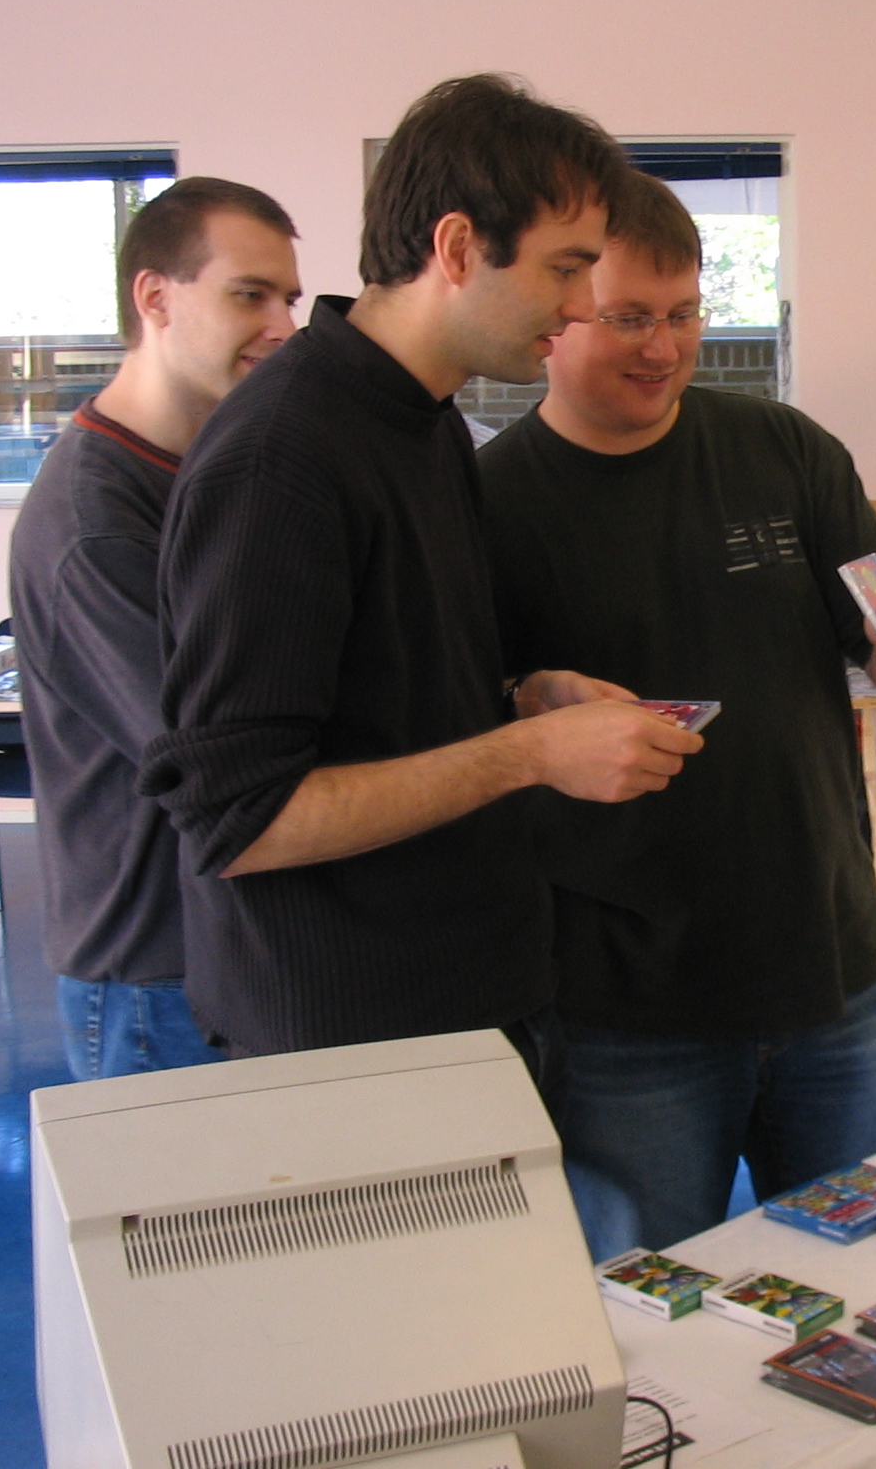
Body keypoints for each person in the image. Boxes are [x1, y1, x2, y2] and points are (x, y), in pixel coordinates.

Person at [138, 76, 701, 1071]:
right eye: (565, 269)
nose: (579, 308)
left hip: (466, 991)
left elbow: (378, 701)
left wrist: (522, 700)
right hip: (353, 1041)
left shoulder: (424, 420)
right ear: (457, 247)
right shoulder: (281, 460)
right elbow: (239, 819)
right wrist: (529, 754)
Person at [476, 173, 876, 1259]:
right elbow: (463, 738)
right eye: (629, 318)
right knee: (649, 1313)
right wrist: (527, 704)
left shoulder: (784, 452)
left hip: (838, 979)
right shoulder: (486, 503)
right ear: (559, 315)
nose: (664, 348)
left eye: (685, 314)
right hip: (624, 1017)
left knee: (871, 1286)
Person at [11, 176, 302, 1079]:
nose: (282, 327)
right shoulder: (93, 525)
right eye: (249, 295)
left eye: (288, 299)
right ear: (155, 297)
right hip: (156, 977)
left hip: (235, 947)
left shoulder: (215, 473)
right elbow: (212, 764)